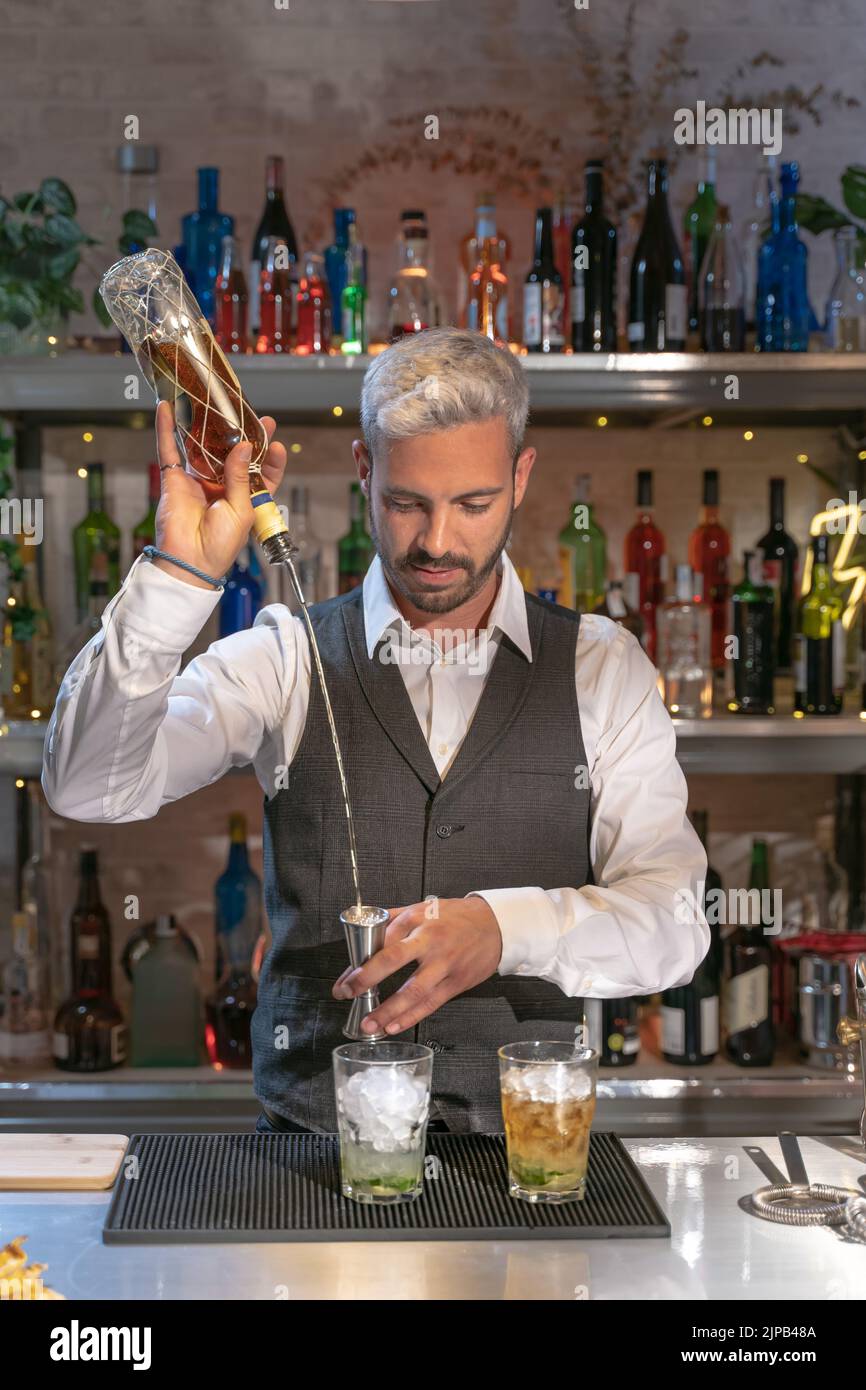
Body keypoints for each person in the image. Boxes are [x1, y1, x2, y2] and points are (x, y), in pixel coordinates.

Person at [42, 327, 709, 1135]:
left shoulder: (601, 667)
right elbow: (87, 786)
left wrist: (505, 929)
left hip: (529, 1167)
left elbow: (674, 924)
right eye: (406, 503)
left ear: (521, 476)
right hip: (310, 1163)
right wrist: (179, 578)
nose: (436, 541)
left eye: (473, 504)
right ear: (365, 470)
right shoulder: (285, 656)